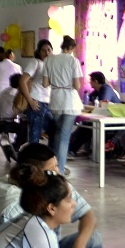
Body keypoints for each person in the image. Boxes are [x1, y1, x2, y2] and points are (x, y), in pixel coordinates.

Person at [43, 36, 83, 174]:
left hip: (55, 100)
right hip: (70, 101)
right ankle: (58, 170)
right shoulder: (73, 61)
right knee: (64, 138)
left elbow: (45, 83)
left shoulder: (49, 59)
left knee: (57, 135)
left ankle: (52, 167)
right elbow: (77, 86)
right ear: (71, 48)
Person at [21, 39, 54, 145]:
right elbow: (22, 82)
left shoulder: (52, 65)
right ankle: (32, 160)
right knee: (35, 135)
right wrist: (30, 101)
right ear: (39, 52)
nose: (47, 53)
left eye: (49, 50)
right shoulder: (36, 63)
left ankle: (49, 158)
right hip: (37, 102)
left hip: (49, 103)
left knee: (54, 132)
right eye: (43, 50)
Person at [0, 73, 29, 151]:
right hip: (5, 123)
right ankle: (12, 148)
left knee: (23, 126)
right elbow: (22, 109)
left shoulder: (5, 91)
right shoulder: (16, 94)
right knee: (28, 131)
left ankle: (12, 148)